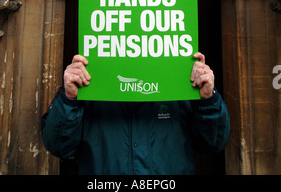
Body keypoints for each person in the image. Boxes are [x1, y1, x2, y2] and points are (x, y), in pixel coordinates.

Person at [41, 52, 230, 175]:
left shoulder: (182, 81)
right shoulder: (89, 84)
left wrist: (208, 100)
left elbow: (213, 144)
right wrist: (69, 98)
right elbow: (58, 146)